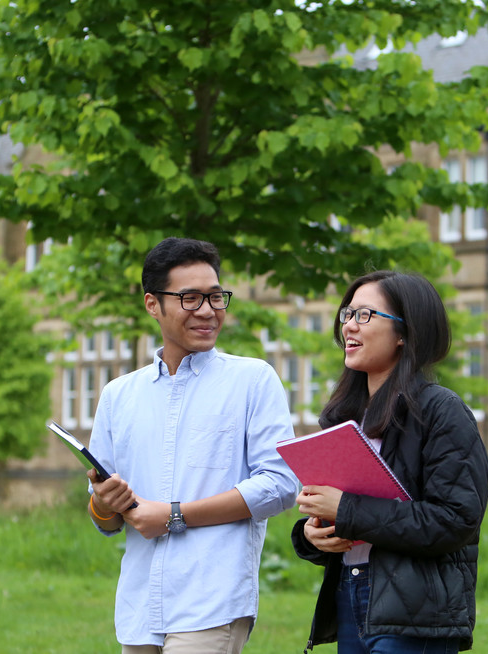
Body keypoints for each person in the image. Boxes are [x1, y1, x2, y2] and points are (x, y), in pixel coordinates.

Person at [86, 237, 300, 654]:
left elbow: (280, 484)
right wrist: (104, 502)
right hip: (138, 604)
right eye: (189, 298)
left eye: (216, 297)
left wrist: (173, 516)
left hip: (212, 600)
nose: (207, 311)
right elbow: (104, 521)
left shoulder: (253, 380)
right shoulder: (117, 396)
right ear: (153, 304)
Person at [291, 270, 488, 653]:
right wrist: (313, 534)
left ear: (404, 333)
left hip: (416, 612)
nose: (349, 325)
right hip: (351, 594)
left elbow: (455, 520)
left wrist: (346, 509)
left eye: (365, 315)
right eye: (347, 314)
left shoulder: (442, 411)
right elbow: (354, 516)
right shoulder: (344, 421)